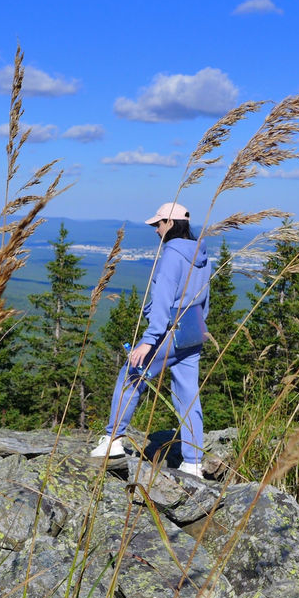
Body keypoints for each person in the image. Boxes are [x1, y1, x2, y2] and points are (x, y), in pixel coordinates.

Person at [91, 202, 214, 478]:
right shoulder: (202, 255)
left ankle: (113, 441)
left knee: (131, 375)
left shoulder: (171, 255)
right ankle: (193, 462)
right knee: (188, 394)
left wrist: (149, 340)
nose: (156, 229)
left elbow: (162, 300)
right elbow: (204, 298)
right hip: (193, 331)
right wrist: (198, 326)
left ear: (170, 224)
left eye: (158, 224)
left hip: (168, 331)